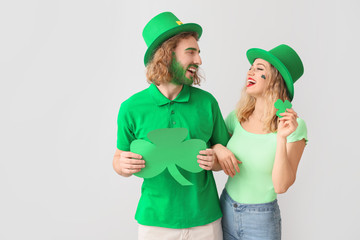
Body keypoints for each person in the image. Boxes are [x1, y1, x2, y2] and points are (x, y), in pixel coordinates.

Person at [113, 12, 229, 240]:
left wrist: (215, 159)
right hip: (155, 223)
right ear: (166, 55)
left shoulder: (207, 103)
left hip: (205, 222)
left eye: (198, 52)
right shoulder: (131, 108)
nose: (199, 60)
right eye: (191, 52)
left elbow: (222, 156)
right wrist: (122, 165)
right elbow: (118, 158)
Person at [213, 44, 308, 240]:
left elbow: (281, 186)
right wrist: (218, 147)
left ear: (276, 80)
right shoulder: (236, 117)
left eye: (259, 68)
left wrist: (281, 137)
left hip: (261, 220)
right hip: (226, 207)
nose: (250, 72)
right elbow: (215, 161)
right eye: (251, 67)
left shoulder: (294, 126)